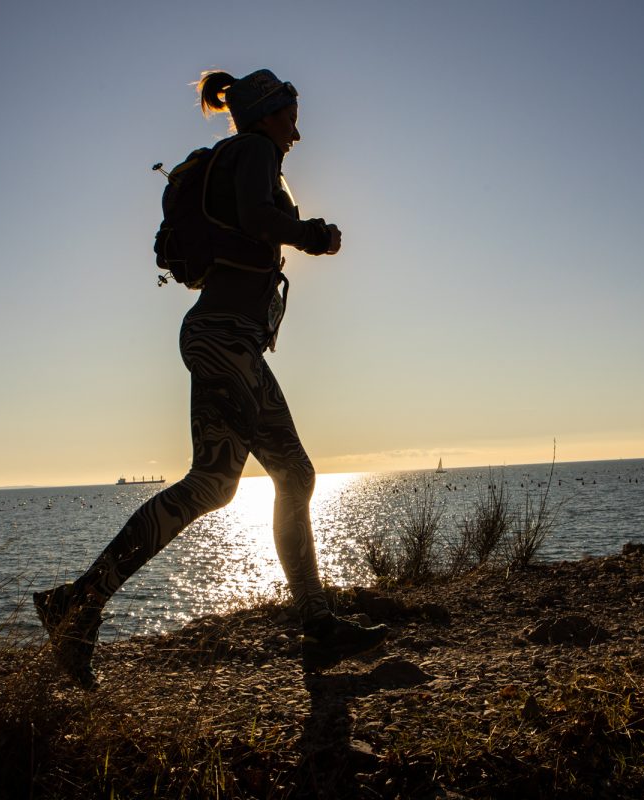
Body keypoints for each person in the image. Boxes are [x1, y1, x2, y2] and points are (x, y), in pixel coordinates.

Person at [34, 69, 388, 689]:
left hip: (230, 339)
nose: (298, 129)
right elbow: (255, 216)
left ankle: (315, 625)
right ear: (267, 113)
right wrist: (309, 235)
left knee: (259, 478)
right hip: (225, 337)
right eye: (290, 115)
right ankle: (81, 601)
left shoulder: (246, 153)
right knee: (246, 479)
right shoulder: (252, 151)